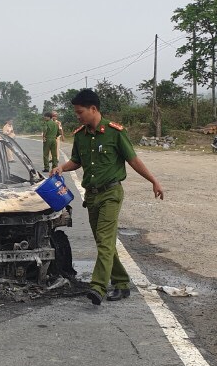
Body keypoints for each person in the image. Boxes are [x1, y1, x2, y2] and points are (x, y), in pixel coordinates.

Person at [51, 89, 164, 306]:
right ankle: (121, 283)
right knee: (104, 242)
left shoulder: (115, 132)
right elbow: (76, 161)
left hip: (111, 193)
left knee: (104, 241)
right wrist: (61, 168)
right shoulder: (81, 135)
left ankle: (98, 287)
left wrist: (154, 180)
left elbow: (133, 160)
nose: (78, 116)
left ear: (93, 109)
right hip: (91, 196)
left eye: (80, 111)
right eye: (76, 112)